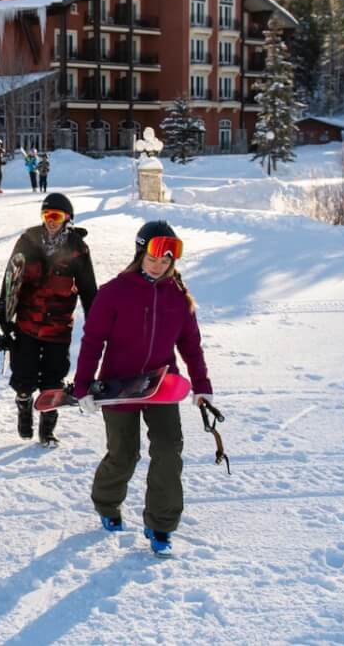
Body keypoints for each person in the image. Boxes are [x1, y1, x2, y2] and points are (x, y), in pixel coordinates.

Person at [73, 219, 213, 558]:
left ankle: (161, 525)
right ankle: (107, 503)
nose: (158, 265)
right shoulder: (113, 292)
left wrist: (202, 385)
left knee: (168, 450)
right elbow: (93, 341)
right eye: (152, 258)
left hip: (160, 385)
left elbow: (190, 345)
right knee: (124, 454)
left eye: (165, 261)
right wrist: (83, 385)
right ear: (139, 255)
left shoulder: (178, 297)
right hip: (118, 387)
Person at [3, 192, 97, 446]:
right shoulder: (28, 241)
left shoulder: (77, 249)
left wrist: (96, 322)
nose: (51, 221)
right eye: (46, 215)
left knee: (53, 381)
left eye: (56, 215)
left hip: (58, 327)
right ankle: (24, 406)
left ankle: (47, 429)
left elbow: (88, 289)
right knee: (23, 377)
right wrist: (4, 314)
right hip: (27, 323)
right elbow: (10, 279)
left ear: (67, 218)